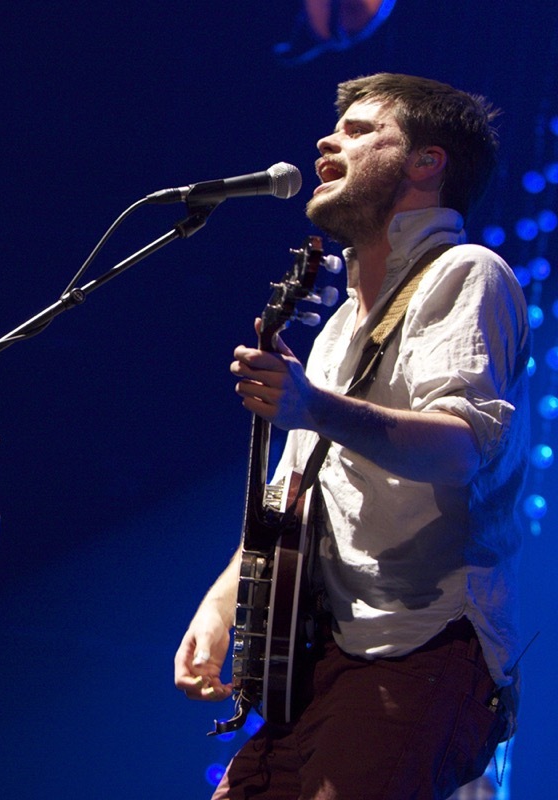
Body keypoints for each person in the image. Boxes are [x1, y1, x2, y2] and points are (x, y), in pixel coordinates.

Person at [174, 73, 528, 798]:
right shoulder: (337, 326)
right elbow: (292, 497)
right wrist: (219, 607)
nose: (328, 140)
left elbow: (460, 448)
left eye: (364, 130)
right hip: (318, 655)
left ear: (428, 162)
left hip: (420, 646)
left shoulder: (467, 273)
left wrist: (317, 408)